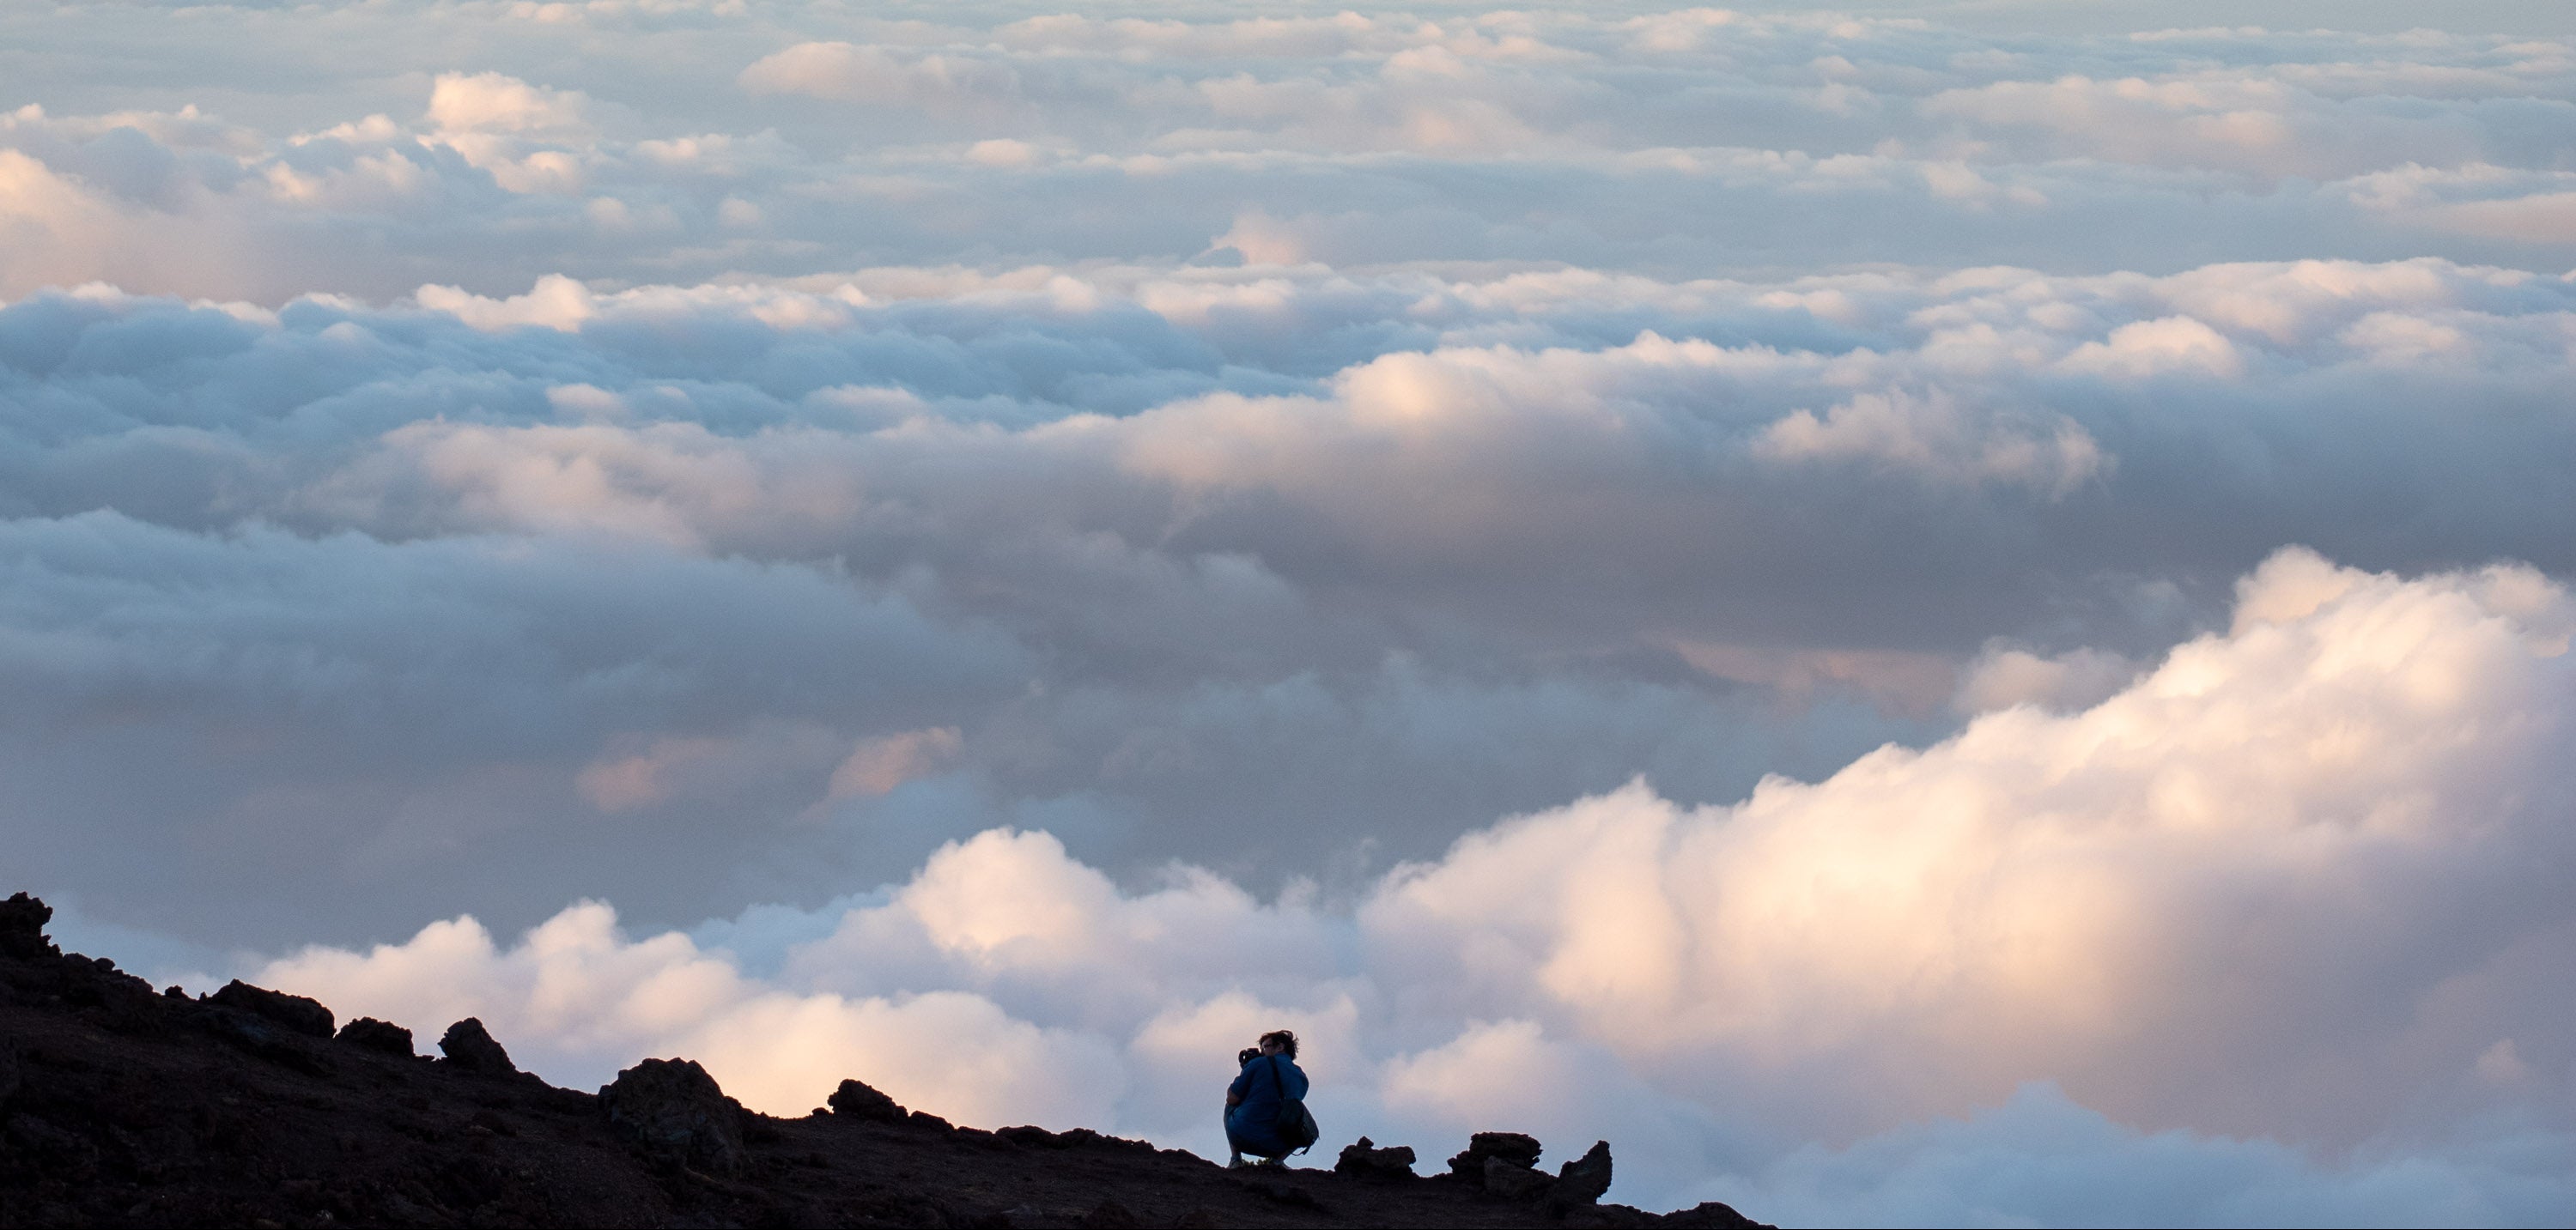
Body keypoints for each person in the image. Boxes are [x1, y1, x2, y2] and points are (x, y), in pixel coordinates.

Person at [1224, 1029, 1309, 1167]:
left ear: (1280, 1047)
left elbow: (1232, 1099)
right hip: (1278, 1144)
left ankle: (1235, 1160)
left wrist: (1245, 1071)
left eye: (1265, 1047)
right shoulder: (1301, 1076)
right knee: (1302, 1115)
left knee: (1231, 1105)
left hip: (1242, 1135)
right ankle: (1278, 1161)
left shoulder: (1257, 1064)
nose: (1262, 1052)